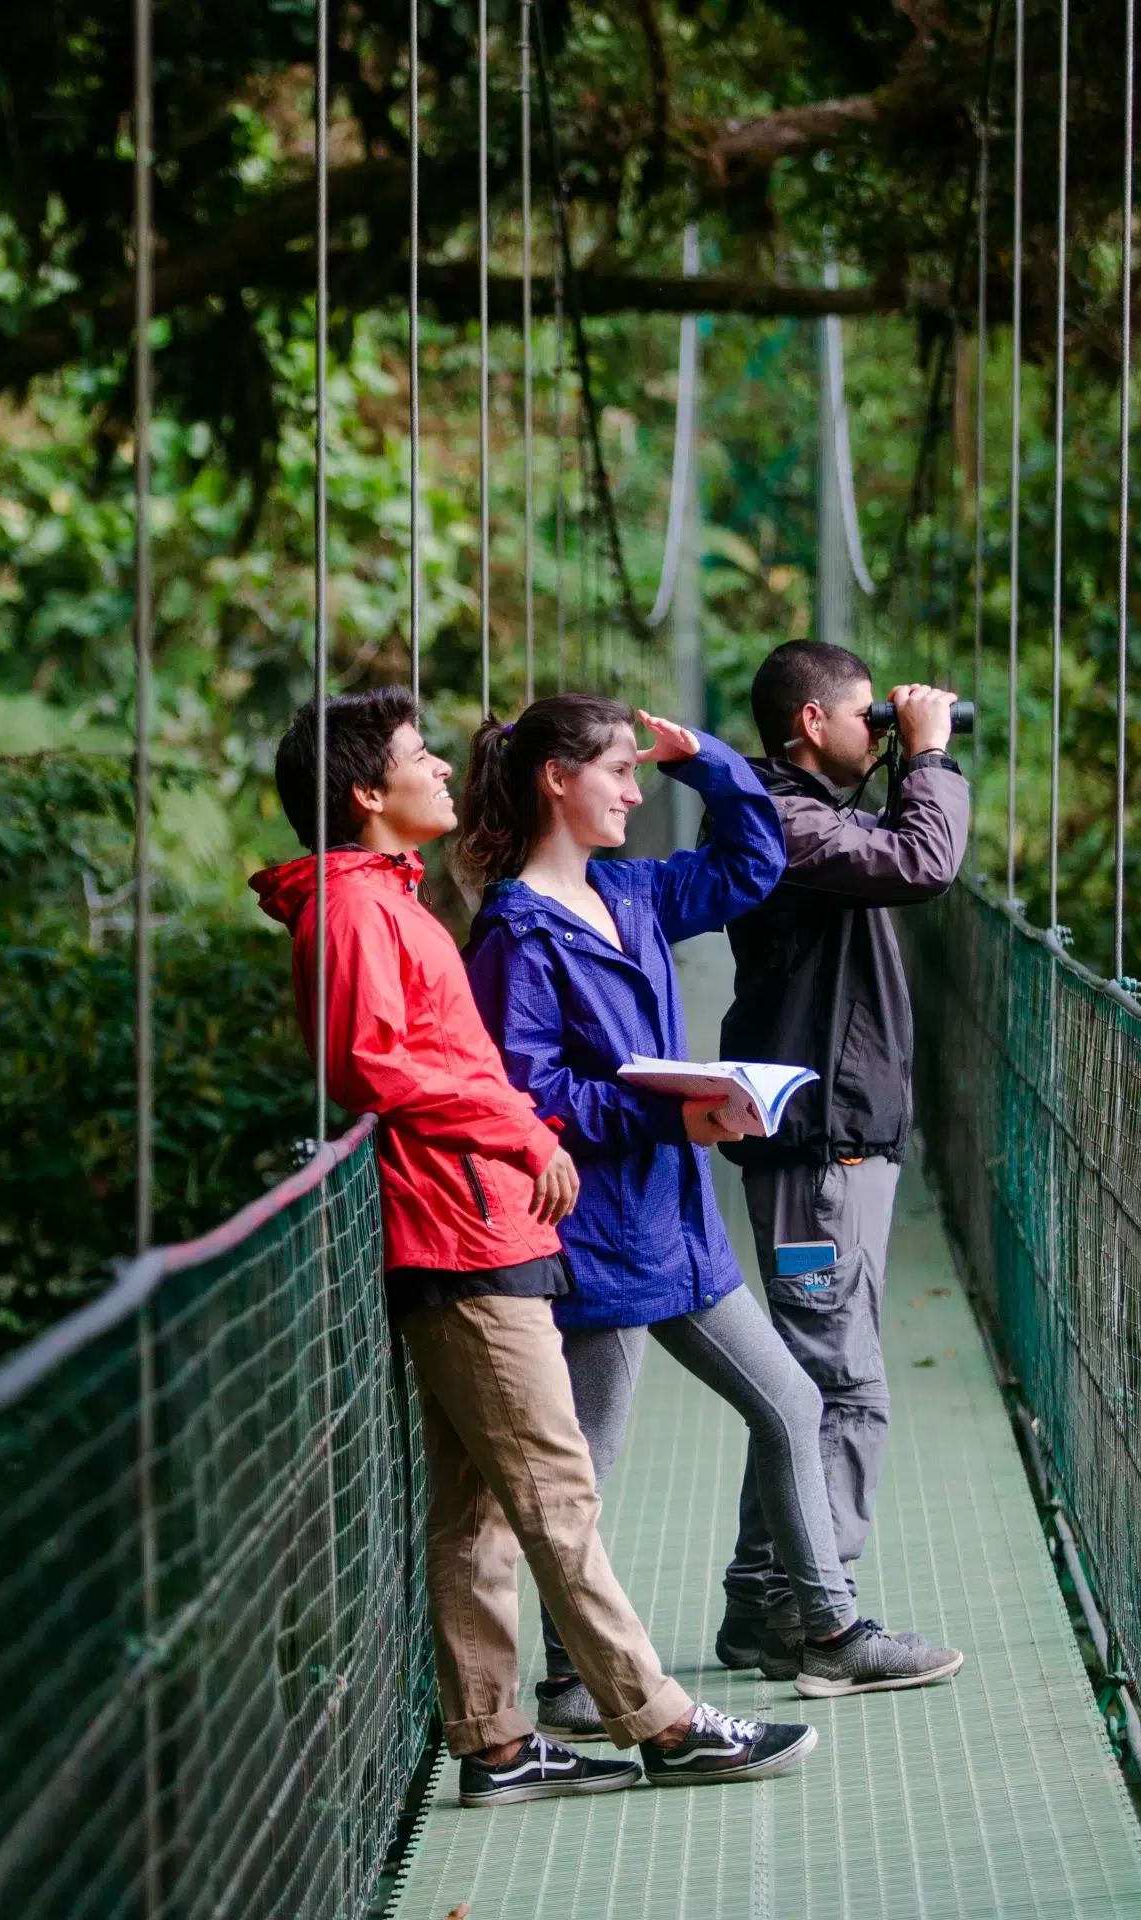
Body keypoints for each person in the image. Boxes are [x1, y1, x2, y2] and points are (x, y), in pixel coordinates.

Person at [250, 686, 818, 1808]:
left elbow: (749, 866)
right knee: (557, 1486)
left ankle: (496, 1744)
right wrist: (520, 1127)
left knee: (477, 1510)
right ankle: (658, 1722)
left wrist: (703, 758)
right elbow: (376, 1063)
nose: (443, 771)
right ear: (370, 792)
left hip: (483, 1221)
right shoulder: (370, 913)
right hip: (463, 1229)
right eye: (418, 756)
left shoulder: (395, 901)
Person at [459, 694, 965, 1720]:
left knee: (792, 1402)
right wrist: (670, 1115)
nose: (635, 793)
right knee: (583, 1468)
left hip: (678, 1222)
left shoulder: (635, 891)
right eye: (619, 775)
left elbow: (751, 866)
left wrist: (712, 763)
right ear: (559, 781)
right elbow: (529, 1094)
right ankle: (564, 1680)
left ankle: (829, 1627)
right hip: (592, 1232)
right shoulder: (515, 934)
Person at [712, 641, 971, 1679]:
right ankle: (823, 1622)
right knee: (840, 1385)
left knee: (809, 1381)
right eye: (869, 717)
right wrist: (933, 759)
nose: (886, 731)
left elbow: (909, 853)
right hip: (821, 1148)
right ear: (813, 725)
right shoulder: (783, 820)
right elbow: (927, 863)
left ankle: (761, 1600)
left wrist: (916, 764)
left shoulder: (824, 817)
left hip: (842, 1141)